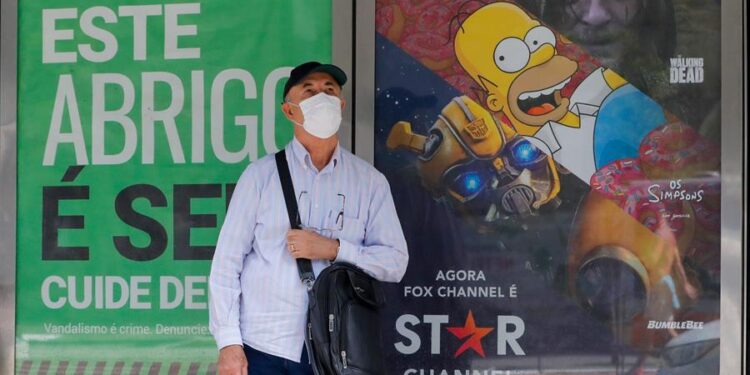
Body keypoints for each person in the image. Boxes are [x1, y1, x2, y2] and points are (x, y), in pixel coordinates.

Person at [208, 61, 409, 375]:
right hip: (264, 348)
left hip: (338, 350)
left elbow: (395, 262)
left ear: (341, 105)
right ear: (289, 111)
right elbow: (226, 265)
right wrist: (229, 344)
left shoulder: (368, 181)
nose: (322, 97)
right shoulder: (260, 177)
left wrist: (333, 249)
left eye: (329, 90)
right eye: (310, 90)